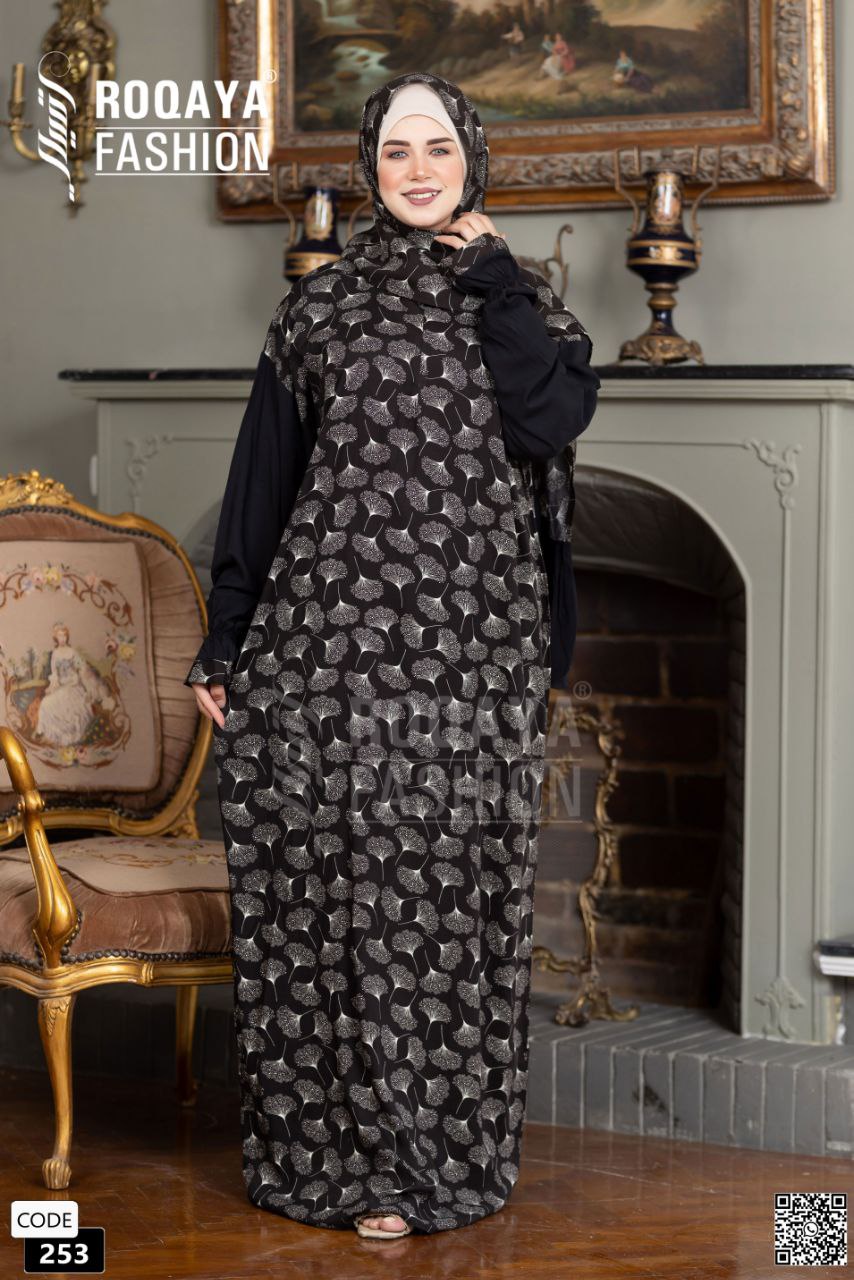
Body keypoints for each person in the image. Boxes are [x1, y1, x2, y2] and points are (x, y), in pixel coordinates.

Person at [185, 70, 600, 1238]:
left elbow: (547, 422)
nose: (417, 170)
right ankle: (347, 1162)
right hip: (326, 647)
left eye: (437, 148)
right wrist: (227, 635)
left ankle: (434, 1156)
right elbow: (262, 480)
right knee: (338, 899)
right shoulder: (318, 309)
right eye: (395, 152)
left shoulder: (525, 302)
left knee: (451, 893)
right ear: (369, 169)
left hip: (474, 653)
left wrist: (490, 278)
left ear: (472, 158)